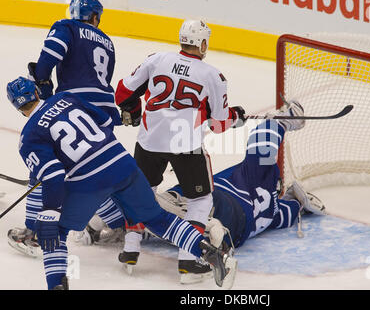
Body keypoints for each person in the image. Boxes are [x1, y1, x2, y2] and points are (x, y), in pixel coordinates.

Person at [5, 76, 237, 290]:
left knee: (56, 233)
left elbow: (53, 174)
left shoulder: (28, 139)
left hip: (89, 182)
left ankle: (57, 285)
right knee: (158, 218)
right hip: (122, 164)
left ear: (16, 107)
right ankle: (211, 254)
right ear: (37, 91)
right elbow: (106, 121)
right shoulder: (64, 97)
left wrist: (50, 211)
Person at [115, 100, 326, 284]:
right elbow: (291, 211)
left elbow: (261, 144)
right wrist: (298, 202)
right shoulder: (275, 214)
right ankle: (187, 231)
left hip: (225, 206)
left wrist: (279, 122)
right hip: (236, 229)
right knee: (184, 198)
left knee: (183, 196)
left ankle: (130, 220)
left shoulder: (259, 177)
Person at [114, 19, 247, 283]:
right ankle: (188, 259)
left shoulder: (156, 59)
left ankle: (130, 249)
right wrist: (235, 116)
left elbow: (122, 92)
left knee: (142, 192)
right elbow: (220, 124)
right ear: (203, 43)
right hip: (184, 143)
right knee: (200, 201)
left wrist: (134, 111)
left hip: (149, 140)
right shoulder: (213, 75)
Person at [7, 0, 126, 257]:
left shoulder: (66, 27)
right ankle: (119, 224)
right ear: (95, 16)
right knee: (91, 171)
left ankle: (35, 232)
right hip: (103, 108)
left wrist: (40, 80)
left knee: (43, 168)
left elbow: (50, 55)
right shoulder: (107, 41)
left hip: (74, 105)